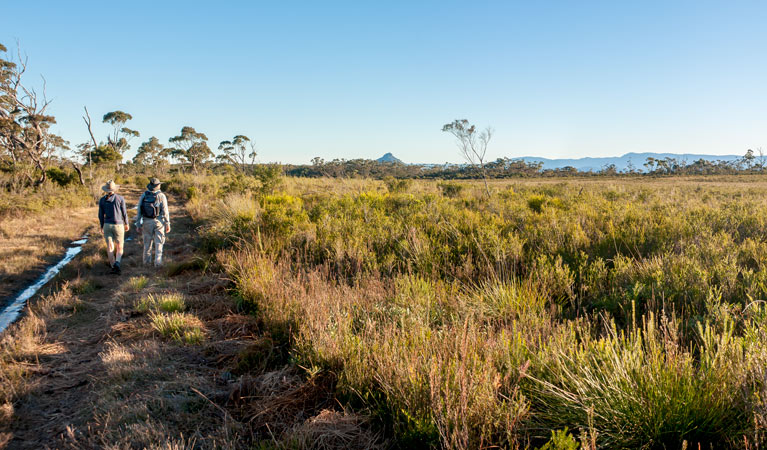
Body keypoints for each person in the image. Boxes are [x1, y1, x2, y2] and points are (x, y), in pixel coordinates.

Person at [135, 177, 171, 266]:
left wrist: (138, 224)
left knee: (147, 243)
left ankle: (146, 263)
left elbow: (139, 210)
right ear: (158, 186)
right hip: (159, 221)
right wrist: (167, 223)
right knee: (159, 243)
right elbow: (165, 211)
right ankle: (157, 263)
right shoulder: (162, 196)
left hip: (147, 221)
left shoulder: (144, 195)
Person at [98, 179, 129, 275]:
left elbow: (100, 215)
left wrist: (102, 226)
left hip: (107, 225)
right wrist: (126, 223)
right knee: (120, 246)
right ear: (114, 189)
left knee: (110, 247)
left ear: (106, 190)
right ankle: (117, 263)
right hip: (119, 225)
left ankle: (113, 266)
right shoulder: (120, 198)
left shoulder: (102, 200)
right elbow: (124, 212)